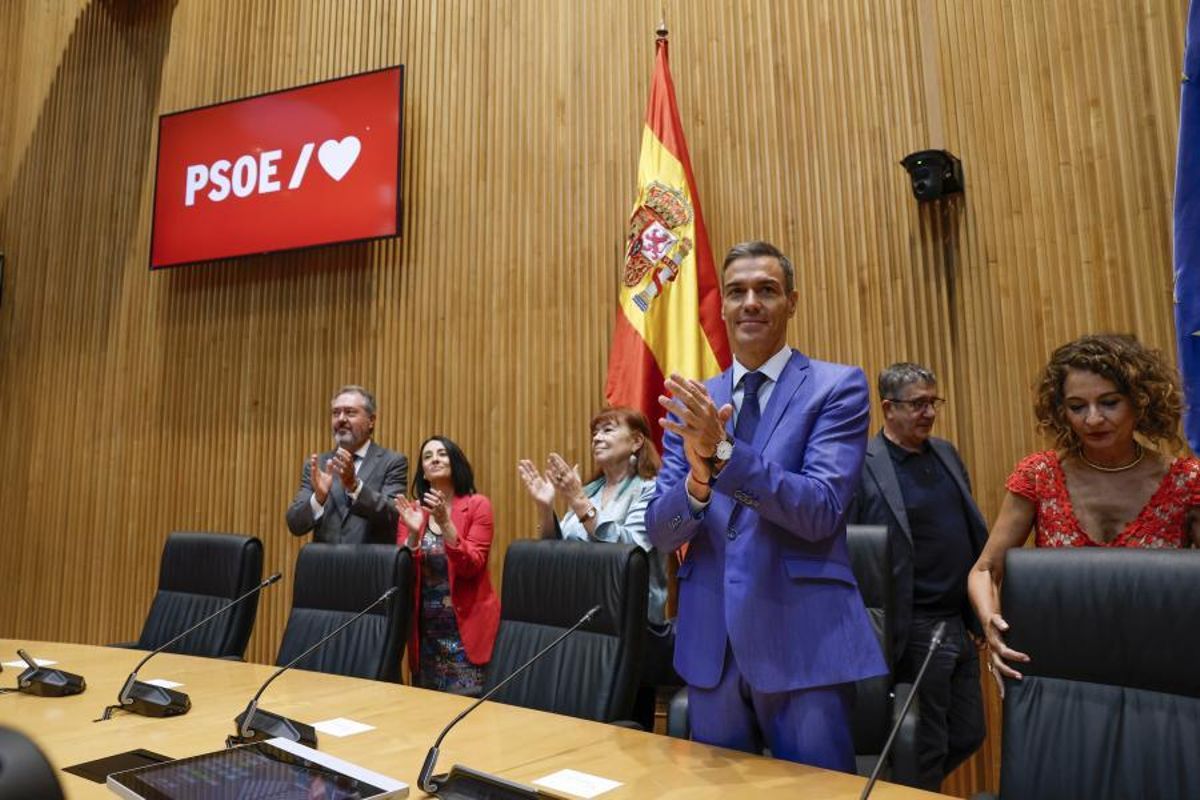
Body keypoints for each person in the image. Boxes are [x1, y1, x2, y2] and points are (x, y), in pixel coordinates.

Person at [646, 240, 886, 772]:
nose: (750, 301)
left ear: (792, 302)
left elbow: (820, 509)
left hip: (802, 641)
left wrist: (724, 452)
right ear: (723, 307)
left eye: (766, 290)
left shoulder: (836, 387)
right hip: (711, 644)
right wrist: (699, 485)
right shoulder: (693, 401)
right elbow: (661, 532)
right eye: (737, 292)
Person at [969, 334, 1200, 697]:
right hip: (1063, 668)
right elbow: (984, 570)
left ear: (1140, 402)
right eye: (1077, 407)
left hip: (1160, 669)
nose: (1093, 419)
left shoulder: (1187, 481)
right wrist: (990, 622)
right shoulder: (1039, 475)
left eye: (1109, 403)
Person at [847, 362, 986, 791]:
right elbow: (854, 549)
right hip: (916, 624)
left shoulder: (945, 452)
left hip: (959, 622)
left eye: (933, 402)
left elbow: (967, 528)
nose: (928, 412)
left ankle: (904, 789)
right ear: (888, 408)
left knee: (968, 732)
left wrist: (976, 614)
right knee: (925, 742)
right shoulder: (864, 465)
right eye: (918, 404)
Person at [517, 406, 671, 729]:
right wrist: (546, 510)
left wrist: (576, 501)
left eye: (608, 430)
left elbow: (632, 551)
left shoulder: (653, 490)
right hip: (583, 631)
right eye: (595, 433)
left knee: (622, 734)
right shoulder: (590, 491)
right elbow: (561, 552)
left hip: (632, 633)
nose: (597, 438)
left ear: (637, 441)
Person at [397, 436, 500, 696]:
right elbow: (401, 572)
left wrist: (445, 524)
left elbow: (472, 565)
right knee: (428, 712)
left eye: (442, 453)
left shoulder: (478, 506)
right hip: (427, 635)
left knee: (471, 717)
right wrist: (411, 535)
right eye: (427, 456)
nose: (435, 459)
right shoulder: (412, 511)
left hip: (466, 631)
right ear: (423, 472)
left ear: (455, 461)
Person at [285, 385, 407, 544]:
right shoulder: (318, 465)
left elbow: (394, 517)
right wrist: (318, 498)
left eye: (350, 412)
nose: (341, 419)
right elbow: (295, 524)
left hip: (371, 565)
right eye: (336, 413)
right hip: (326, 565)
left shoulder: (392, 462)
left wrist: (355, 487)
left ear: (371, 421)